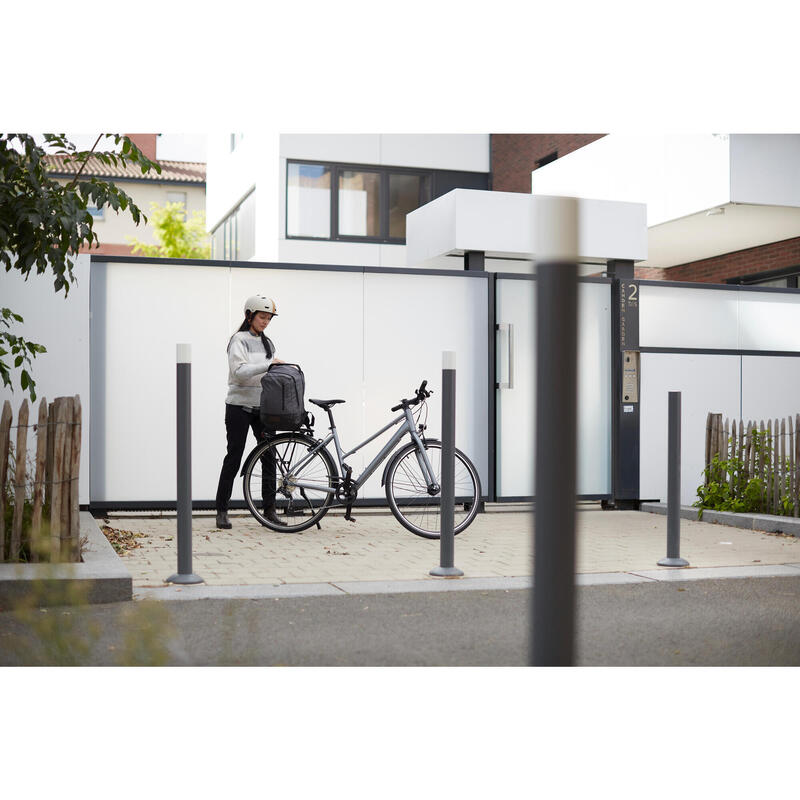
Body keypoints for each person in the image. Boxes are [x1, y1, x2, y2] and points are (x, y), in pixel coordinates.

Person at [215, 294, 287, 529]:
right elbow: (239, 372)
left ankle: (269, 510)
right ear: (249, 316)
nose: (265, 322)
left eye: (268, 318)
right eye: (262, 317)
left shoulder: (268, 343)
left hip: (263, 407)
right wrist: (269, 365)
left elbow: (268, 373)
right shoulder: (239, 340)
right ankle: (222, 511)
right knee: (234, 456)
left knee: (269, 456)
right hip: (238, 407)